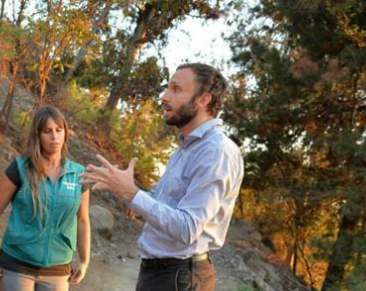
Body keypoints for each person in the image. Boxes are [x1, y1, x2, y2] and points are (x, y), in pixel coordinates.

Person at [80, 63, 244, 291]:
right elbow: (163, 208)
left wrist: (132, 192)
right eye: (167, 88)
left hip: (180, 278)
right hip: (161, 274)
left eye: (175, 89)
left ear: (203, 99)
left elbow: (187, 228)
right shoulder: (186, 149)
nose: (164, 97)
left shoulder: (215, 151)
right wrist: (122, 188)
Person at [0, 105, 91, 291]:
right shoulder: (20, 168)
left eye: (58, 130)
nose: (54, 137)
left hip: (58, 269)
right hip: (17, 264)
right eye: (47, 131)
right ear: (38, 135)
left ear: (65, 132)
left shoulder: (78, 174)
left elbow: (82, 220)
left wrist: (84, 260)